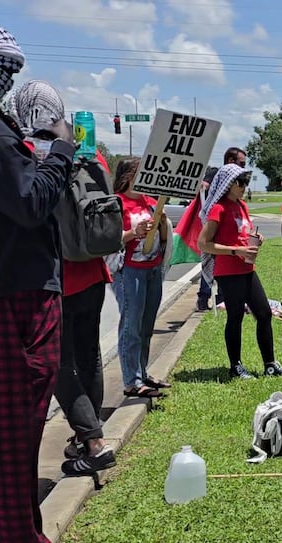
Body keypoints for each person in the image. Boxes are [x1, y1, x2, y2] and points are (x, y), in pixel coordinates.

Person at [0, 17, 101, 543]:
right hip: (10, 293)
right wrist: (60, 149)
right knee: (10, 433)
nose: (9, 80)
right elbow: (29, 200)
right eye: (5, 68)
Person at [9, 80, 117, 476]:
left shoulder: (31, 155)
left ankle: (94, 441)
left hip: (58, 275)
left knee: (58, 364)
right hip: (94, 269)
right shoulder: (90, 154)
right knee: (89, 356)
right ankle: (87, 436)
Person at [198, 164, 282, 380]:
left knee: (264, 313)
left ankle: (270, 365)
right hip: (228, 271)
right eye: (240, 182)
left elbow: (243, 232)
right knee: (235, 316)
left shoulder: (241, 205)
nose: (244, 187)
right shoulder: (219, 208)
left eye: (246, 182)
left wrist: (255, 238)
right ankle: (236, 366)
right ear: (227, 184)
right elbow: (203, 243)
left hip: (247, 268)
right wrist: (236, 250)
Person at [112, 157, 171, 399]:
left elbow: (164, 236)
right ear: (129, 177)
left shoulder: (150, 202)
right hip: (129, 270)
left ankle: (142, 372)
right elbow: (109, 238)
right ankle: (131, 381)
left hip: (153, 268)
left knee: (147, 325)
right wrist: (133, 233)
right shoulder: (117, 203)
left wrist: (162, 221)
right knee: (131, 324)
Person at [196, 146, 247, 311]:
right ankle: (204, 297)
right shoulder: (215, 174)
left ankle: (221, 298)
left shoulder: (240, 203)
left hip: (230, 233)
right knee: (210, 260)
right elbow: (204, 186)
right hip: (215, 228)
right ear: (231, 161)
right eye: (241, 163)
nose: (243, 167)